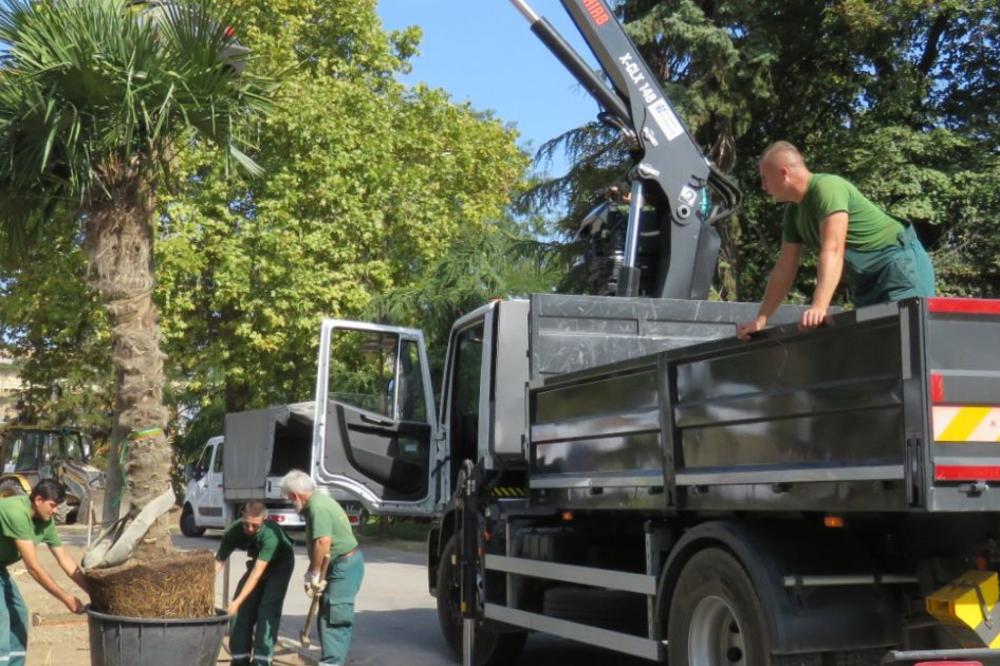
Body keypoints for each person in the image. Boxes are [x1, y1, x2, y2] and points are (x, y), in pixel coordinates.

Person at [737, 141, 935, 340]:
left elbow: (833, 249)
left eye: (764, 178)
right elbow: (784, 269)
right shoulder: (793, 213)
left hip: (898, 267)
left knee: (910, 341)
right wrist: (761, 321)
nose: (763, 186)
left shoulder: (827, 188)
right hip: (865, 283)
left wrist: (819, 307)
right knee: (877, 348)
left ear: (783, 173)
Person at [0, 479, 88, 666]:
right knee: (1, 620)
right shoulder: (16, 512)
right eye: (53, 505)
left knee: (20, 615)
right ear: (38, 500)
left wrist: (93, 591)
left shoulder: (45, 522)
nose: (55, 511)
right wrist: (67, 599)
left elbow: (64, 558)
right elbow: (33, 568)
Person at [280, 470, 363, 666]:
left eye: (289, 499)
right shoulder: (317, 503)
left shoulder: (317, 506)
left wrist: (313, 573)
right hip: (339, 564)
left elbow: (323, 542)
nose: (291, 504)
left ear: (295, 495)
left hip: (344, 566)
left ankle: (331, 663)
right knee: (326, 616)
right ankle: (330, 661)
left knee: (335, 618)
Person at [214, 500, 294, 666]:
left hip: (279, 566)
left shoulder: (270, 535)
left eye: (255, 526)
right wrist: (205, 585)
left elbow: (257, 573)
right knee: (239, 613)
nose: (250, 529)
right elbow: (219, 561)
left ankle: (262, 660)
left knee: (267, 611)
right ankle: (239, 659)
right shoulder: (234, 531)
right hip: (257, 562)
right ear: (242, 517)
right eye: (247, 524)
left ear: (263, 522)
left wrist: (236, 602)